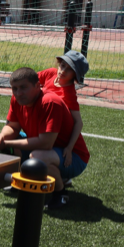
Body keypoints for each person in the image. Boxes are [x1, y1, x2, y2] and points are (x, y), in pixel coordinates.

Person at [0, 67, 89, 209]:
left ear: (37, 85)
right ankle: (19, 181)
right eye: (14, 88)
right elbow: (13, 126)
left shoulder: (50, 102)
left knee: (38, 157)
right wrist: (1, 138)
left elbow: (45, 143)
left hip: (73, 157)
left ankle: (60, 194)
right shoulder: (16, 99)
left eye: (23, 87)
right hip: (48, 150)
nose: (18, 93)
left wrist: (6, 143)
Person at [37, 51, 88, 181]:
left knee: (37, 156)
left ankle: (61, 180)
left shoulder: (68, 94)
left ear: (75, 75)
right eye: (63, 65)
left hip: (69, 150)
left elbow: (78, 123)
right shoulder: (50, 73)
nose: (63, 70)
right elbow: (30, 81)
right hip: (49, 137)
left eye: (69, 69)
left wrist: (69, 148)